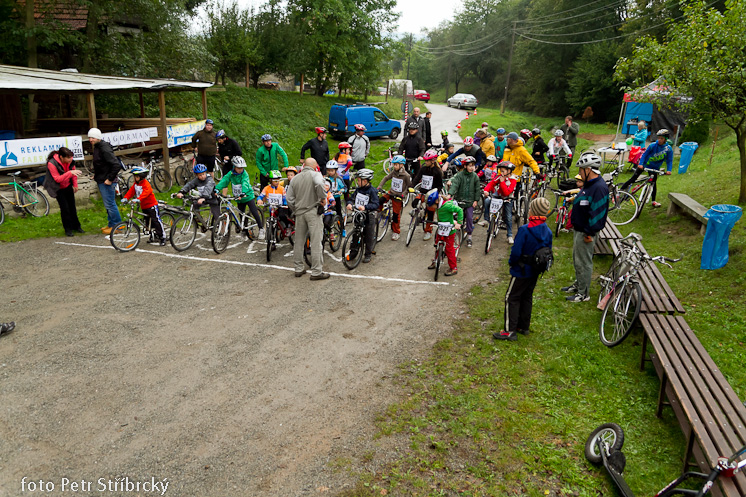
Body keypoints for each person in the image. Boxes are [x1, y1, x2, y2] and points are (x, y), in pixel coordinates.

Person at [493, 197, 553, 341]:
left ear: (534, 211)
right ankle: (523, 326)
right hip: (535, 270)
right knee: (526, 296)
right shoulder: (548, 232)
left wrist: (511, 263)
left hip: (521, 270)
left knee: (511, 297)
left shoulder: (525, 229)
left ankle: (509, 331)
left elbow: (516, 252)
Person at [562, 153, 609, 303]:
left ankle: (584, 293)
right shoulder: (589, 185)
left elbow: (598, 212)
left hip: (586, 231)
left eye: (581, 170)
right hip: (579, 228)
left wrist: (589, 232)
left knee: (584, 262)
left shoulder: (599, 188)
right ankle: (579, 284)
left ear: (589, 169)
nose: (580, 173)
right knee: (578, 260)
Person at [286, 158, 329, 280]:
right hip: (312, 211)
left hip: (299, 212)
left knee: (298, 241)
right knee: (316, 241)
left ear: (303, 165)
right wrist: (322, 197)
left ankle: (298, 268)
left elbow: (289, 198)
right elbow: (320, 184)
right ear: (315, 166)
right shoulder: (316, 174)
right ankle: (316, 271)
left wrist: (295, 208)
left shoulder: (295, 178)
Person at [620, 129, 673, 208]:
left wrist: (669, 170)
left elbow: (669, 160)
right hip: (644, 165)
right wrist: (640, 164)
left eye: (661, 138)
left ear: (666, 139)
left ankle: (653, 201)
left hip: (654, 168)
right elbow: (644, 155)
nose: (659, 140)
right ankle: (619, 192)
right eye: (658, 138)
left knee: (653, 183)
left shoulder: (668, 149)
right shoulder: (653, 145)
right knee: (633, 179)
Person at [215, 156, 264, 238]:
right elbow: (224, 181)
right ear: (234, 167)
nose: (240, 169)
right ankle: (244, 230)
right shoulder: (230, 174)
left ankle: (261, 228)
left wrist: (243, 192)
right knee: (241, 213)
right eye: (238, 168)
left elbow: (245, 182)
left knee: (254, 211)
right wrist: (216, 189)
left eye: (242, 168)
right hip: (238, 198)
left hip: (247, 196)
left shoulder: (244, 174)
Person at [88, 127, 122, 235]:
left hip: (107, 181)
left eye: (92, 137)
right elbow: (101, 164)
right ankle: (111, 224)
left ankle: (118, 226)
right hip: (101, 178)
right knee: (108, 205)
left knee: (110, 204)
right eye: (89, 138)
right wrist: (96, 175)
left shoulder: (104, 148)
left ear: (98, 137)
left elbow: (116, 165)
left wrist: (110, 179)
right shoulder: (97, 147)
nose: (90, 140)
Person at [122, 166, 166, 245]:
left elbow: (145, 193)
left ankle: (162, 237)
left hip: (151, 205)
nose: (134, 178)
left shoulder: (146, 184)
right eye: (134, 176)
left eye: (136, 176)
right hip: (144, 206)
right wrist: (126, 198)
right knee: (148, 222)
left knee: (156, 220)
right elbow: (131, 191)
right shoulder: (136, 184)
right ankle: (153, 235)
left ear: (141, 176)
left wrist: (138, 199)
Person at [44, 147, 83, 237]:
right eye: (68, 158)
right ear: (61, 157)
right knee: (65, 208)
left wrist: (75, 184)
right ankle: (68, 229)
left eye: (71, 157)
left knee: (72, 207)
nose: (70, 160)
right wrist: (70, 173)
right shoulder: (52, 163)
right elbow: (57, 179)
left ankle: (77, 226)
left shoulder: (70, 161)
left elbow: (74, 173)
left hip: (68, 185)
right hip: (58, 188)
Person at [346, 168, 379, 263]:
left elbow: (375, 204)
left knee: (368, 234)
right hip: (358, 215)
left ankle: (368, 253)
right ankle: (353, 252)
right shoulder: (358, 190)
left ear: (365, 181)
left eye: (359, 180)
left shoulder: (372, 191)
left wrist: (365, 207)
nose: (357, 182)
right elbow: (352, 198)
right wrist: (349, 203)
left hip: (368, 216)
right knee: (355, 234)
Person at [427, 189, 463, 277]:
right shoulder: (438, 206)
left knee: (449, 249)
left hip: (450, 230)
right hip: (441, 228)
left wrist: (459, 222)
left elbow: (460, 210)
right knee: (437, 245)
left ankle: (453, 268)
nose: (432, 208)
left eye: (432, 206)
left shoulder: (447, 206)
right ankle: (436, 260)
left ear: (436, 201)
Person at [480, 161, 517, 244]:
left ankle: (509, 235)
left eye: (503, 171)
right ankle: (486, 219)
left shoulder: (513, 180)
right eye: (500, 171)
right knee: (487, 201)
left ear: (509, 171)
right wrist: (486, 190)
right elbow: (492, 183)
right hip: (499, 195)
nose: (501, 173)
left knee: (508, 216)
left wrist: (502, 182)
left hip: (508, 198)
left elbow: (507, 192)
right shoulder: (500, 177)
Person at [448, 156, 481, 248]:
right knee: (455, 217)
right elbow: (455, 185)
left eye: (473, 166)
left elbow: (477, 190)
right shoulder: (459, 175)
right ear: (465, 166)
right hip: (459, 201)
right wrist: (450, 194)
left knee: (470, 218)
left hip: (470, 202)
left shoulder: (475, 177)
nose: (472, 168)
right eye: (469, 166)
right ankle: (452, 234)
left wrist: (476, 200)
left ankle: (469, 236)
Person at [411, 149, 444, 241]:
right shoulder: (423, 168)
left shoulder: (437, 171)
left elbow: (439, 186)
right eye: (425, 160)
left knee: (430, 212)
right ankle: (418, 212)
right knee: (415, 202)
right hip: (423, 191)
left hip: (432, 194)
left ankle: (428, 230)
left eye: (427, 160)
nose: (425, 162)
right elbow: (417, 178)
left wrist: (436, 195)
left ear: (433, 161)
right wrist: (411, 186)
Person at [377, 155, 411, 241]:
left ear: (401, 165)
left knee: (396, 215)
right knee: (380, 201)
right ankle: (380, 213)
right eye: (394, 164)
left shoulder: (406, 175)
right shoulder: (394, 172)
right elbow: (386, 178)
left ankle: (396, 232)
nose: (394, 166)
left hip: (398, 197)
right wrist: (380, 186)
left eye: (396, 164)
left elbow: (409, 186)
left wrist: (403, 194)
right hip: (391, 192)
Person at [503, 131, 541, 201]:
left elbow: (531, 161)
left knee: (511, 200)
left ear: (511, 140)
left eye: (507, 139)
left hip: (515, 179)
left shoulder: (521, 150)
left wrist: (537, 172)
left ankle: (516, 209)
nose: (506, 140)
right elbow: (503, 163)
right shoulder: (507, 149)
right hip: (504, 178)